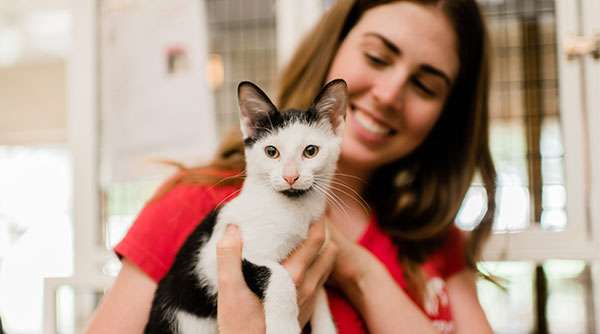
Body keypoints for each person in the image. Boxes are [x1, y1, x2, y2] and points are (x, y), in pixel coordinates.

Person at [86, 0, 496, 333]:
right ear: (331, 46)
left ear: (448, 112)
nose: (390, 95)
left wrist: (357, 270)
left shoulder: (432, 232)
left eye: (426, 86)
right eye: (376, 56)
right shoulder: (196, 201)